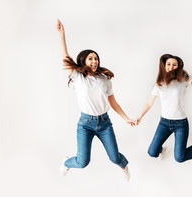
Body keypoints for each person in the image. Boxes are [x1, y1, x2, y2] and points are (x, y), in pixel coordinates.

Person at [56, 19, 136, 181]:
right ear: (84, 61)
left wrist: (126, 118)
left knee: (115, 158)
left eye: (96, 58)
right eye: (90, 59)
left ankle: (125, 166)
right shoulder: (78, 77)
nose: (94, 61)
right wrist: (62, 34)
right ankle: (67, 162)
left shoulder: (104, 79)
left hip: (104, 123)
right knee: (82, 161)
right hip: (85, 124)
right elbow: (65, 57)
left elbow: (113, 102)